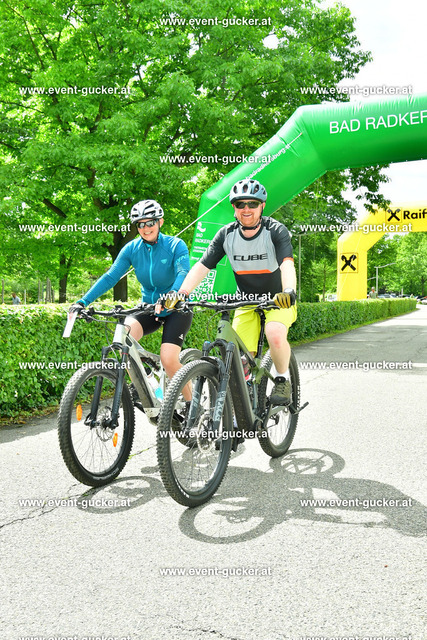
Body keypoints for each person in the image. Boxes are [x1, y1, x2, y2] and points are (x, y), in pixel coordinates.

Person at [162, 178, 297, 405]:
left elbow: (287, 264)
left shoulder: (275, 231)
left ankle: (283, 379)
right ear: (234, 207)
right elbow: (202, 266)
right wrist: (182, 293)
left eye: (253, 204)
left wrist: (288, 291)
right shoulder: (226, 235)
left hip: (277, 299)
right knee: (237, 358)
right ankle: (244, 404)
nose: (246, 209)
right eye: (240, 204)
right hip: (246, 301)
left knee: (274, 333)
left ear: (262, 206)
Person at [68, 200, 193, 399]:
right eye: (140, 224)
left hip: (175, 307)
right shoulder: (131, 248)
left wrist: (173, 294)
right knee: (122, 341)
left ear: (160, 222)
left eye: (150, 222)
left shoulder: (175, 245)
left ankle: (192, 406)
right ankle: (147, 381)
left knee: (168, 359)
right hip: (149, 307)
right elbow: (111, 277)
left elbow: (183, 272)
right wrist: (83, 302)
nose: (145, 228)